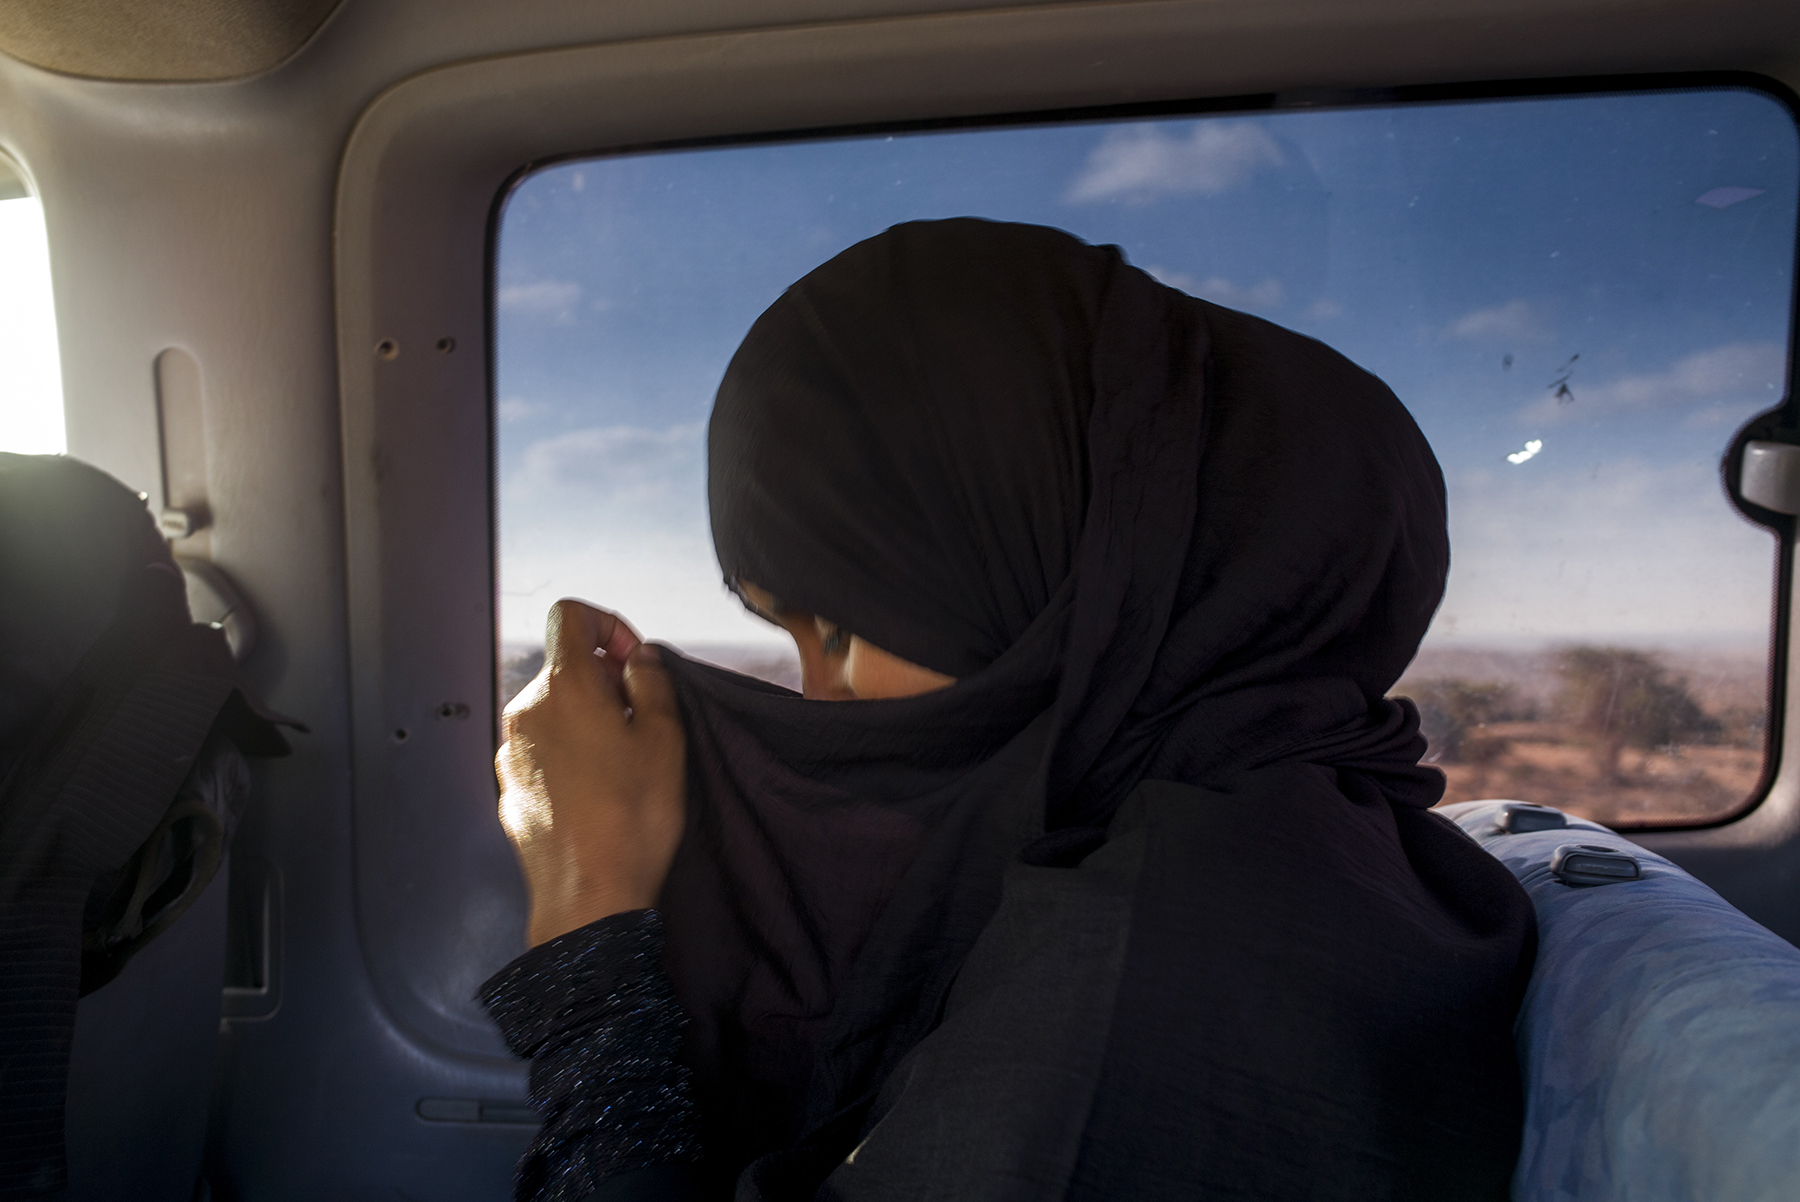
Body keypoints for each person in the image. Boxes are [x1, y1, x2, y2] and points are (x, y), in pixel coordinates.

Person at [479, 218, 1537, 1201]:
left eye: (837, 629)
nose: (815, 698)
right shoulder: (1267, 831)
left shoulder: (1150, 1022)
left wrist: (589, 920)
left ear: (1068, 578)